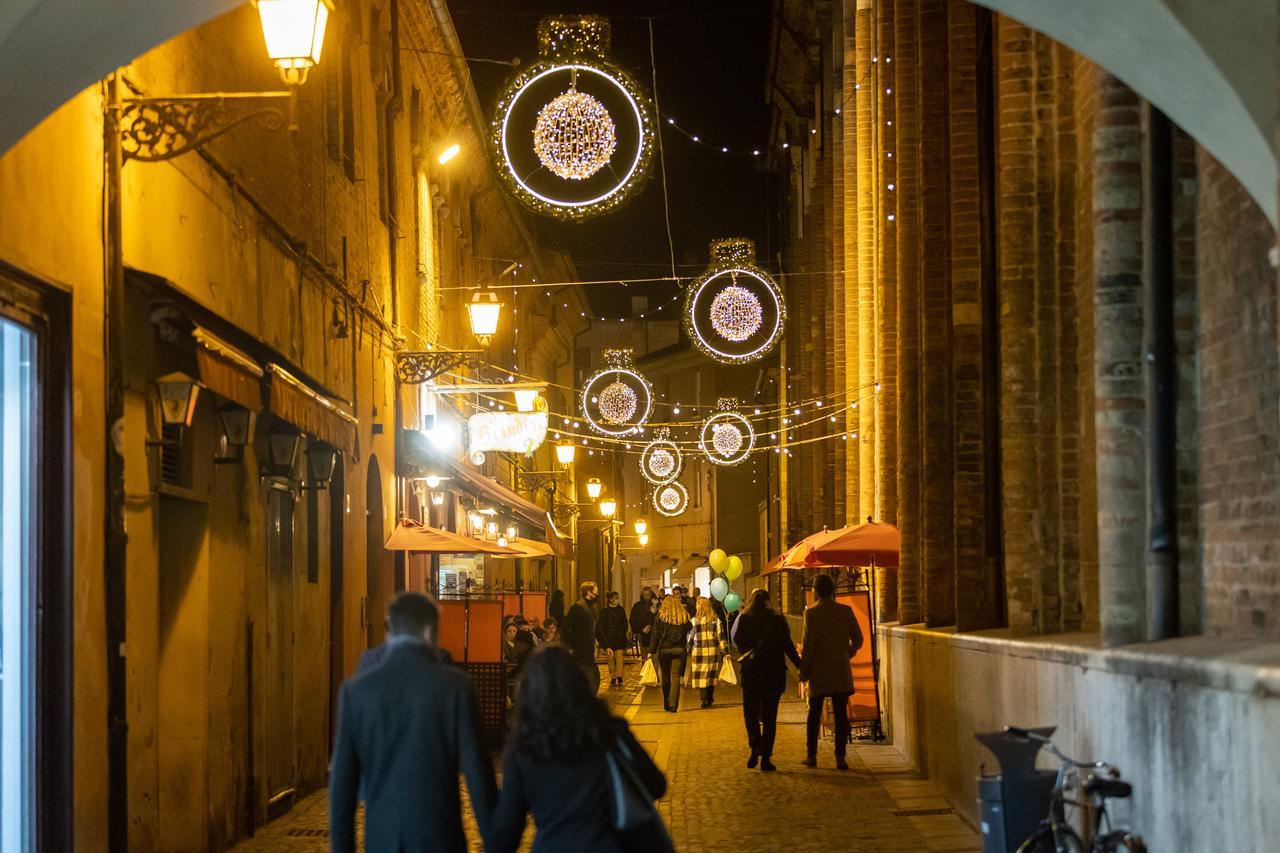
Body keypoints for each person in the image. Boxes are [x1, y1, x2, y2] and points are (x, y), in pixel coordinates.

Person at [329, 592, 496, 852]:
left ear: (390, 631)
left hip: (383, 840)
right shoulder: (456, 688)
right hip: (440, 838)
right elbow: (478, 775)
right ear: (429, 631)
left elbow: (342, 785)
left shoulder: (356, 692)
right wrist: (496, 841)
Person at [489, 645, 670, 852]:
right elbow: (656, 785)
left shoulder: (524, 748)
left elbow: (507, 827)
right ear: (580, 685)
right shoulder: (608, 732)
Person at [732, 587, 801, 772]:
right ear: (769, 601)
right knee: (770, 717)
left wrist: (749, 652)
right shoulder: (777, 619)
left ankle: (755, 744)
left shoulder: (745, 618)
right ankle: (766, 758)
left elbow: (737, 641)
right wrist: (800, 666)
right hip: (774, 673)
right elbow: (788, 645)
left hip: (751, 673)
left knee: (750, 713)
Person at [800, 573, 863, 770]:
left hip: (819, 671)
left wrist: (804, 671)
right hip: (840, 670)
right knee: (841, 714)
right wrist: (848, 653)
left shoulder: (811, 614)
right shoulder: (845, 611)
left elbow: (809, 646)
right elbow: (859, 639)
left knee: (814, 713)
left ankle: (812, 755)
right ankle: (840, 757)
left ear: (816, 591)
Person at [649, 594, 692, 712]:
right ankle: (673, 704)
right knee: (675, 675)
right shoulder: (683, 616)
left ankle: (666, 702)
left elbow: (655, 634)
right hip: (679, 649)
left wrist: (652, 650)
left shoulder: (660, 616)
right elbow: (690, 627)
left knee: (665, 676)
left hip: (664, 650)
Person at [687, 597, 728, 708]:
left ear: (701, 606)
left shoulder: (694, 621)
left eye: (697, 604)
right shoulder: (715, 620)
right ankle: (709, 698)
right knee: (711, 675)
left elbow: (690, 637)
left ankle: (704, 699)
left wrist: (688, 648)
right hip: (713, 651)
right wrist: (725, 652)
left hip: (698, 651)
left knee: (702, 676)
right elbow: (721, 637)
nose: (696, 606)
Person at [562, 581, 601, 694]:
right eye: (596, 592)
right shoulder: (577, 608)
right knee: (587, 671)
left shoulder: (593, 607)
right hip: (579, 646)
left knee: (592, 672)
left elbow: (596, 627)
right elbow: (566, 627)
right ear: (588, 593)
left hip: (589, 646)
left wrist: (603, 643)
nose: (597, 595)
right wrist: (569, 645)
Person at [596, 590, 630, 686]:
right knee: (610, 659)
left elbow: (625, 623)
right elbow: (601, 626)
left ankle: (619, 676)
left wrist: (623, 633)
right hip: (609, 639)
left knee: (619, 658)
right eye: (615, 598)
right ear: (610, 599)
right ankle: (613, 676)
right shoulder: (604, 612)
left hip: (619, 638)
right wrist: (604, 639)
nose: (617, 600)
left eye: (617, 598)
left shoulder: (621, 610)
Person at [629, 586, 658, 658]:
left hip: (654, 634)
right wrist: (640, 629)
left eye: (648, 595)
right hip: (641, 633)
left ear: (651, 594)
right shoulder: (637, 606)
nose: (646, 597)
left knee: (654, 657)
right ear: (642, 595)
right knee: (645, 655)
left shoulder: (656, 604)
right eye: (645, 595)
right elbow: (632, 620)